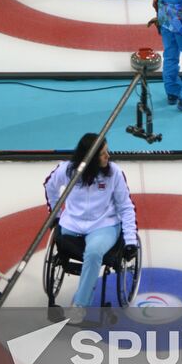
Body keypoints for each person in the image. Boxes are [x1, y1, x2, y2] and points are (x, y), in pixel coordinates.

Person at [44, 134, 138, 321]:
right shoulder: (67, 170)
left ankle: (80, 305)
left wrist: (130, 240)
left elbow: (126, 207)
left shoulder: (114, 173)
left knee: (94, 253)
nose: (108, 156)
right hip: (72, 224)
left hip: (103, 225)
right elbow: (49, 186)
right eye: (103, 154)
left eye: (107, 152)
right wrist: (55, 214)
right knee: (71, 242)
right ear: (91, 159)